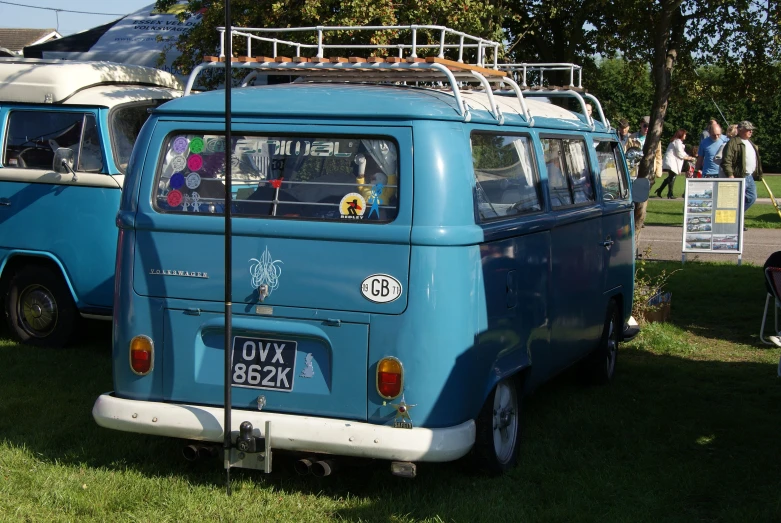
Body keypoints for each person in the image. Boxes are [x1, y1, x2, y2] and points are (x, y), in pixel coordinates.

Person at [627, 116, 662, 256]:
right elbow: (626, 153)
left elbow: (658, 156)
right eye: (644, 126)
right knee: (632, 206)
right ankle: (631, 244)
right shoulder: (632, 138)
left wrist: (658, 171)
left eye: (649, 126)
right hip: (633, 175)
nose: (646, 128)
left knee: (641, 208)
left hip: (647, 176)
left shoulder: (655, 139)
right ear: (640, 125)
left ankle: (635, 241)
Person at [722, 120, 762, 213]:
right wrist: (730, 175)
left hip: (749, 176)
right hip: (738, 176)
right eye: (748, 129)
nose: (751, 131)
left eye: (751, 130)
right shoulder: (732, 143)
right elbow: (726, 160)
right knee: (736, 200)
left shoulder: (750, 142)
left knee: (752, 197)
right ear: (740, 130)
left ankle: (737, 216)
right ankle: (735, 219)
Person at [657, 129, 696, 199]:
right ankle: (670, 194)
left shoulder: (677, 142)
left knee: (670, 177)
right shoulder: (677, 141)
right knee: (672, 177)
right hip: (671, 162)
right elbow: (680, 153)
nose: (685, 136)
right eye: (684, 134)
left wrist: (688, 157)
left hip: (671, 161)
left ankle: (660, 190)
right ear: (681, 135)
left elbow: (681, 152)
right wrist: (689, 158)